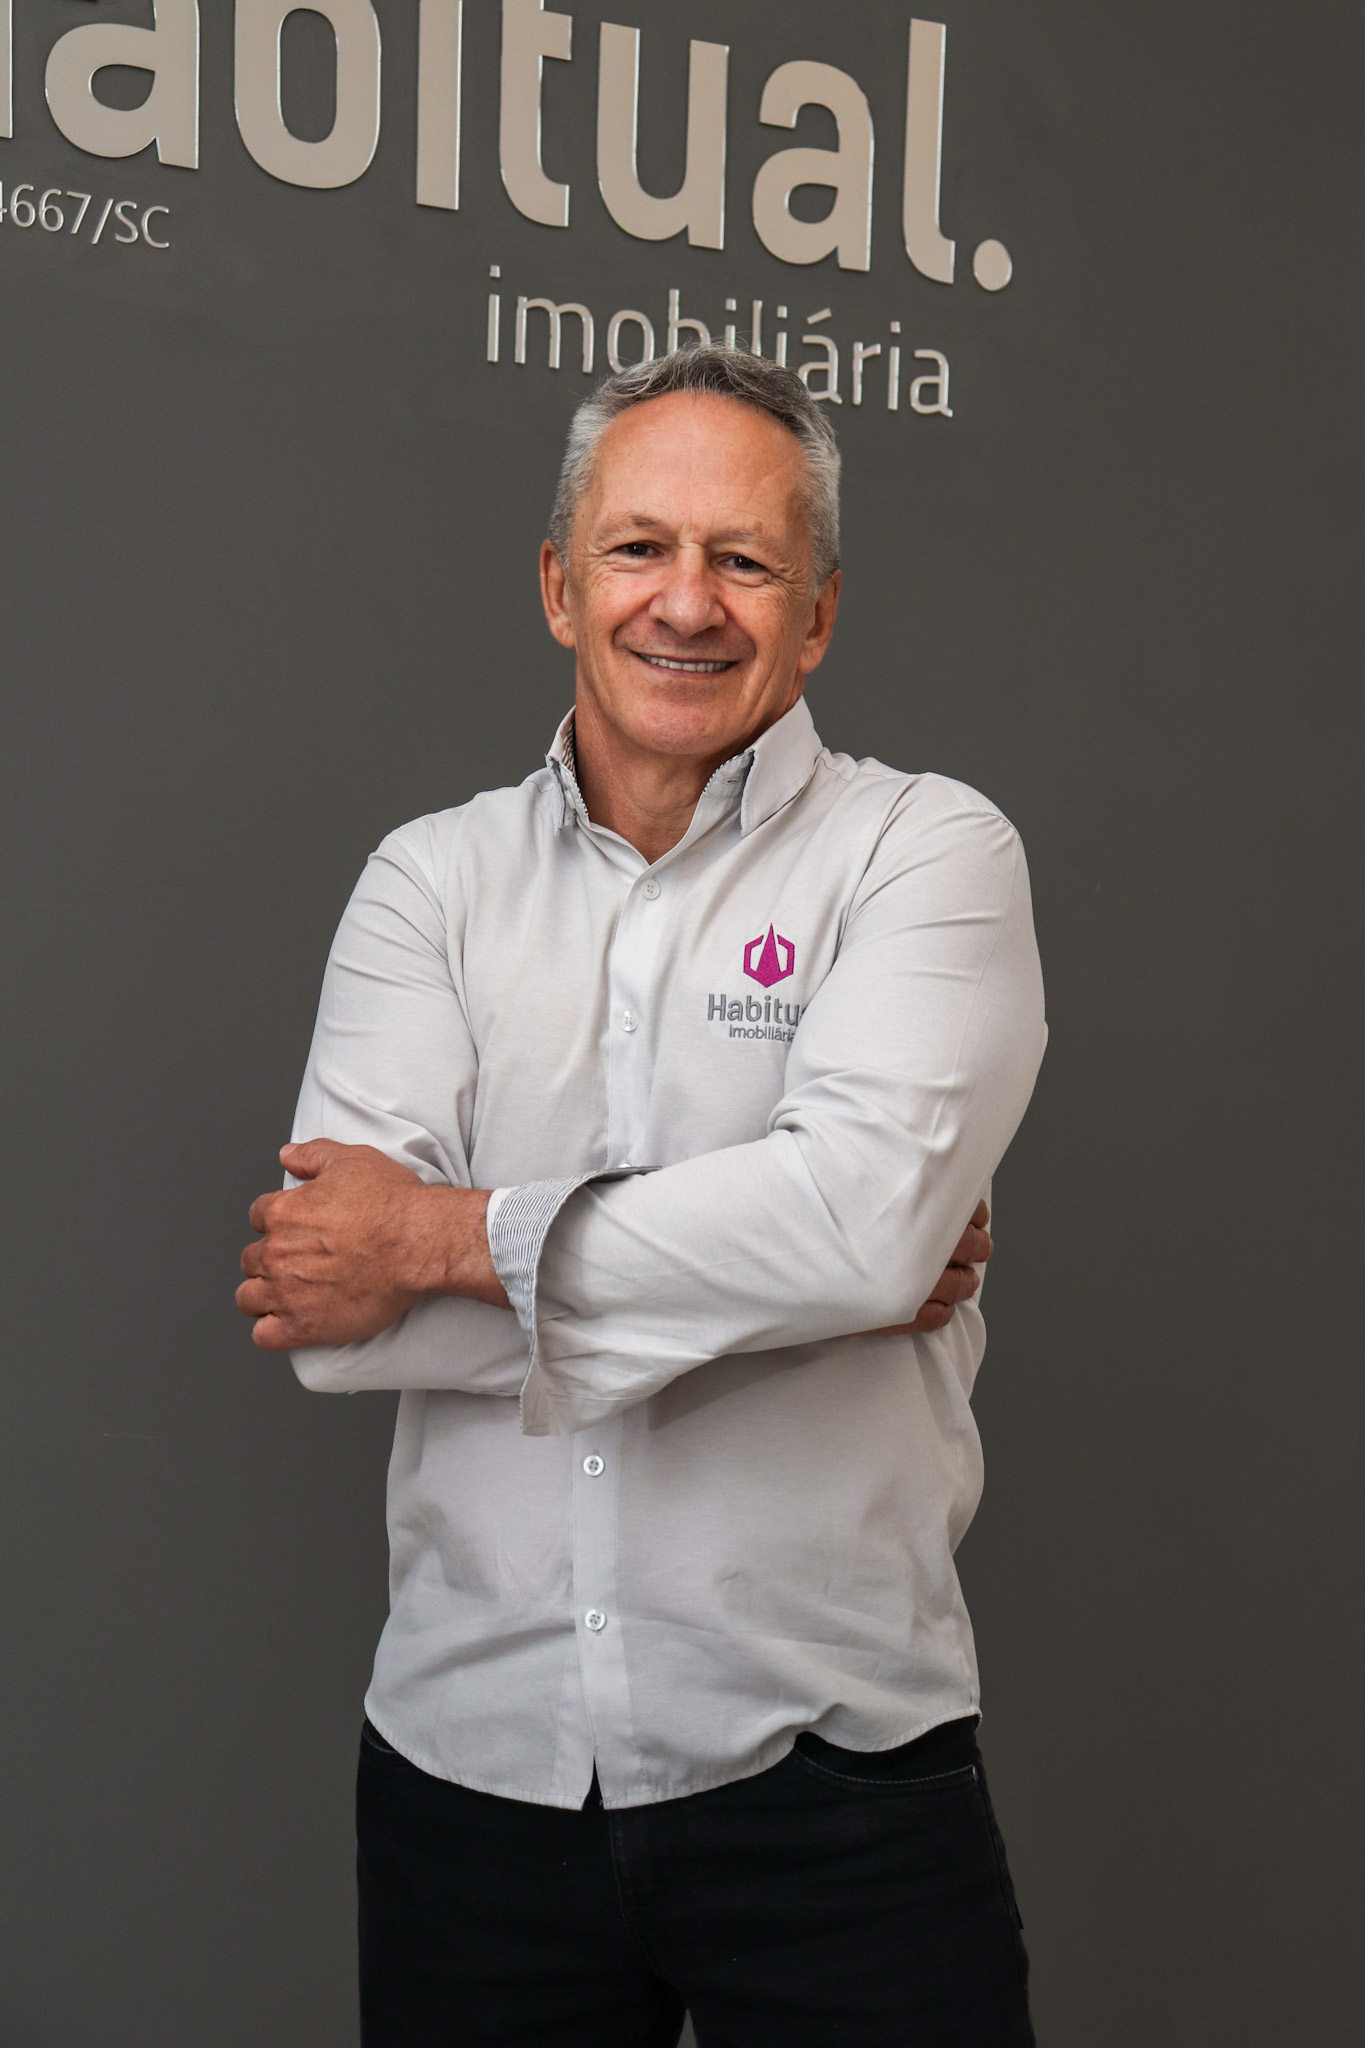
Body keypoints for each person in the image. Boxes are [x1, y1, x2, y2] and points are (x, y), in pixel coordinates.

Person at [238, 345, 1047, 2047]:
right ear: (559, 584)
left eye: (744, 560)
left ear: (817, 616)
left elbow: (858, 1234)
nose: (686, 602)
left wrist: (439, 1240)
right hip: (470, 1776)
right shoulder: (428, 882)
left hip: (837, 1776)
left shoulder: (925, 851)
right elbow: (336, 1323)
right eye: (637, 548)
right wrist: (796, 1278)